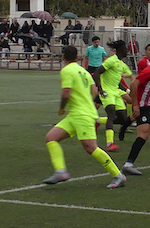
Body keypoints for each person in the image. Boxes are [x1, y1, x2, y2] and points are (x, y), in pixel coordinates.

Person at [41, 46, 127, 189]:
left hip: (82, 115)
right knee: (51, 138)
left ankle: (118, 175)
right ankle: (60, 171)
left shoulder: (67, 70)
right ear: (77, 57)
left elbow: (66, 94)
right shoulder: (84, 72)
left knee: (91, 147)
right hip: (76, 115)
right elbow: (94, 91)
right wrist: (85, 102)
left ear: (63, 56)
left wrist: (62, 108)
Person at [94, 40, 132, 152]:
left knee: (123, 119)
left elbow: (116, 80)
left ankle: (98, 121)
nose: (127, 51)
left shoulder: (121, 64)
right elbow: (97, 72)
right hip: (107, 92)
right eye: (125, 49)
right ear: (120, 50)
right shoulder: (111, 61)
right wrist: (100, 89)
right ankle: (109, 144)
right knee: (111, 115)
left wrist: (127, 90)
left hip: (116, 92)